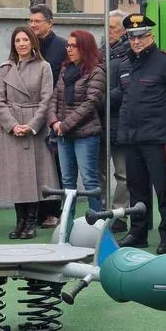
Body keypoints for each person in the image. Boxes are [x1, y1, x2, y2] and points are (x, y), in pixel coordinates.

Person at [114, 14, 166, 254]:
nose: (136, 41)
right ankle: (138, 233)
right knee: (137, 191)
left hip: (157, 137)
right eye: (132, 37)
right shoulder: (124, 64)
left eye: (141, 36)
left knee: (165, 190)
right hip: (131, 137)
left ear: (151, 36)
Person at [0, 26, 58, 240]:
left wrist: (31, 125)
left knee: (33, 176)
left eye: (25, 40)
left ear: (32, 43)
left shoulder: (43, 67)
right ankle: (20, 221)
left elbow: (47, 99)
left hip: (33, 129)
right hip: (11, 128)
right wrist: (12, 125)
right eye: (17, 40)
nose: (21, 44)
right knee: (16, 177)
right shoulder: (5, 68)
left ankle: (31, 222)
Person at [49, 30, 106, 212]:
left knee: (89, 180)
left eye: (74, 46)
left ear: (85, 47)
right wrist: (53, 122)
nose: (69, 49)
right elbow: (54, 99)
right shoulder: (65, 70)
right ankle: (67, 225)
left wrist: (64, 125)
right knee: (67, 182)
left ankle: (97, 223)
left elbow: (91, 102)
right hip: (63, 135)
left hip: (86, 134)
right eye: (68, 45)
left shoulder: (96, 71)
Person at [29, 4, 67, 229]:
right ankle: (34, 211)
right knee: (33, 164)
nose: (33, 25)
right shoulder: (26, 46)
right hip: (30, 114)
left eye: (37, 21)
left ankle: (53, 211)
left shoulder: (62, 47)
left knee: (54, 165)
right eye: (30, 21)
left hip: (54, 114)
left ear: (50, 23)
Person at [100, 10, 131, 233]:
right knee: (98, 172)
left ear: (124, 30)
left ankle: (119, 214)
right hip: (98, 121)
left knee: (122, 173)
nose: (107, 32)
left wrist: (97, 101)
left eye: (112, 28)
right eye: (106, 27)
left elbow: (123, 90)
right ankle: (100, 211)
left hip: (119, 121)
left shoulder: (129, 54)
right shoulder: (99, 53)